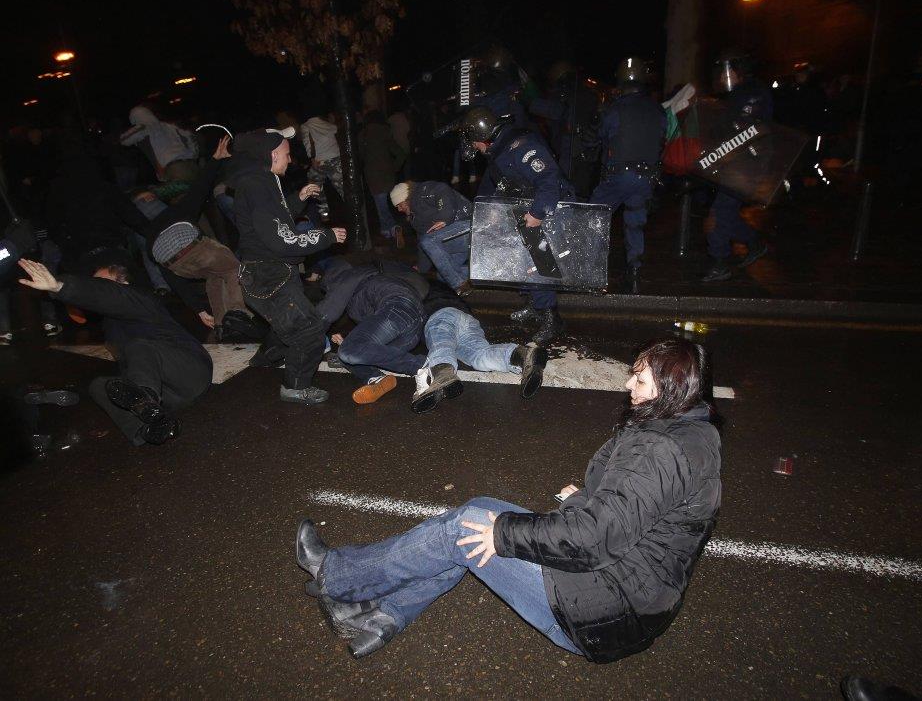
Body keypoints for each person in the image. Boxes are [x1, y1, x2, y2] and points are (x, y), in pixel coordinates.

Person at [294, 337, 721, 660]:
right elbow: (638, 511)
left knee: (466, 531)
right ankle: (382, 617)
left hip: (605, 610)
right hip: (633, 596)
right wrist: (586, 498)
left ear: (670, 389)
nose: (628, 384)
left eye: (641, 380)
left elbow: (595, 535)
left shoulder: (659, 450)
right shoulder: (690, 430)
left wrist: (506, 535)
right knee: (475, 514)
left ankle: (336, 575)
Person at [17, 258, 212, 446]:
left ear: (124, 282)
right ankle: (149, 429)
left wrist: (60, 286)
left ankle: (145, 402)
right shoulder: (110, 326)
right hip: (167, 397)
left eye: (101, 283)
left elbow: (108, 295)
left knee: (139, 346)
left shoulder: (142, 299)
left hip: (191, 373)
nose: (97, 288)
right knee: (99, 385)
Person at [228, 127, 345, 404]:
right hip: (269, 276)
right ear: (271, 154)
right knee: (309, 330)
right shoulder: (258, 185)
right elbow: (283, 240)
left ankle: (265, 358)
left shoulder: (259, 180)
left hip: (267, 274)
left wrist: (298, 198)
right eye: (286, 154)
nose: (290, 160)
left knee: (289, 324)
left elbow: (272, 221)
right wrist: (327, 236)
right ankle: (295, 386)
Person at [461, 106, 575, 345]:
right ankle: (535, 305)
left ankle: (552, 319)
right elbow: (495, 184)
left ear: (483, 137)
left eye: (474, 142)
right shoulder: (499, 148)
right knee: (520, 260)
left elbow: (549, 179)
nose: (473, 147)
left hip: (544, 209)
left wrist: (538, 213)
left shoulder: (520, 146)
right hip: (523, 207)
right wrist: (484, 210)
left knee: (539, 264)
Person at [132, 136, 260, 341]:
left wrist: (199, 310)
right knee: (233, 267)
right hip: (190, 245)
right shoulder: (178, 211)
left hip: (170, 263)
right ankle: (237, 313)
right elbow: (200, 186)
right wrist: (216, 159)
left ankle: (220, 324)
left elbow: (170, 277)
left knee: (214, 276)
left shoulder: (150, 234)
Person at [590, 57, 667, 294]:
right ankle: (634, 272)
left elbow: (601, 136)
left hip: (618, 177)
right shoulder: (658, 109)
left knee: (595, 218)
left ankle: (592, 271)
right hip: (647, 179)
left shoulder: (615, 109)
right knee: (635, 223)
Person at [411, 281, 547, 413]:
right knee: (480, 356)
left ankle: (442, 376)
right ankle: (524, 355)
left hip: (440, 315)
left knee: (441, 345)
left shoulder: (414, 285)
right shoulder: (440, 285)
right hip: (466, 318)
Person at [702, 50, 772, 282]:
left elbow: (746, 132)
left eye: (725, 72)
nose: (722, 78)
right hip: (736, 162)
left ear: (737, 71)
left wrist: (716, 156)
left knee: (720, 213)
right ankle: (753, 242)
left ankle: (719, 262)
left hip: (745, 164)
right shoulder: (739, 94)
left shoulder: (752, 94)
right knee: (725, 212)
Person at [317, 259, 428, 405]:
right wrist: (349, 341)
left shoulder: (347, 280)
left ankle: (421, 365)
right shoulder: (359, 287)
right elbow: (373, 327)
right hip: (412, 326)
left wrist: (307, 339)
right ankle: (376, 378)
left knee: (348, 351)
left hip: (398, 308)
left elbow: (325, 314)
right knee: (352, 355)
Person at [529, 61, 601, 198]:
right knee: (581, 188)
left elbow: (552, 111)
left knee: (563, 188)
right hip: (587, 148)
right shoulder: (588, 94)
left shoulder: (564, 93)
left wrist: (530, 102)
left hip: (569, 147)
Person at [390, 180, 473, 295]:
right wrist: (421, 268)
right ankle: (483, 273)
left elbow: (442, 189)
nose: (399, 210)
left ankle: (460, 285)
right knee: (443, 275)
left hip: (469, 227)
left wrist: (445, 217)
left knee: (429, 241)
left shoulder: (420, 192)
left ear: (405, 198)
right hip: (457, 241)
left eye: (399, 205)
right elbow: (423, 246)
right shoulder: (416, 221)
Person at [358, 110, 407, 243]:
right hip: (388, 173)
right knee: (387, 203)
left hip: (373, 175)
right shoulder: (386, 132)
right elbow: (400, 153)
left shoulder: (363, 135)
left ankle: (392, 227)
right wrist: (394, 168)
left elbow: (360, 156)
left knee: (381, 206)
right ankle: (387, 229)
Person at [119, 105, 199, 184]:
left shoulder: (146, 127)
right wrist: (193, 155)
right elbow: (190, 137)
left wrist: (138, 126)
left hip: (175, 168)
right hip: (192, 164)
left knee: (183, 195)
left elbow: (124, 140)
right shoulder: (170, 126)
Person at [300, 110, 346, 213]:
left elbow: (307, 142)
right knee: (342, 186)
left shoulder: (305, 126)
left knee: (314, 184)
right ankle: (353, 209)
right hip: (335, 159)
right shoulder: (327, 124)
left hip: (320, 161)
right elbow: (336, 129)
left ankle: (324, 209)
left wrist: (311, 158)